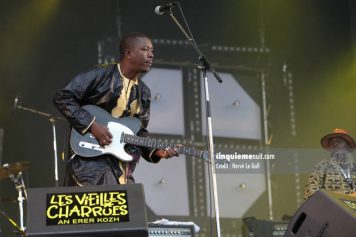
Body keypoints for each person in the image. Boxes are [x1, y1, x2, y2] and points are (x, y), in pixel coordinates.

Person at [53, 32, 178, 186]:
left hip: (122, 167)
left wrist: (156, 150)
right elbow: (63, 97)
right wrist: (92, 126)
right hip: (91, 166)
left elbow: (138, 133)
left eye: (152, 51)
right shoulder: (99, 76)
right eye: (145, 49)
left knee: (132, 204)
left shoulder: (143, 92)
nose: (151, 55)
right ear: (128, 53)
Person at [304, 128, 356, 200]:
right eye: (332, 142)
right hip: (331, 209)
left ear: (347, 145)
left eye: (339, 141)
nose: (335, 144)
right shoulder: (321, 166)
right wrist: (333, 198)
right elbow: (310, 191)